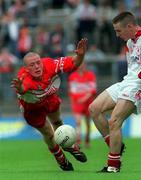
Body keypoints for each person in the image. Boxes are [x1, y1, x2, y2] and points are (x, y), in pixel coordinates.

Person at [89, 11, 141, 173]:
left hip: (140, 85)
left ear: (130, 26)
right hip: (127, 82)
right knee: (94, 109)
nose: (117, 35)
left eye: (118, 31)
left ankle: (113, 165)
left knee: (114, 121)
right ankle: (115, 145)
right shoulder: (131, 42)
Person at [11, 38, 88, 171]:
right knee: (49, 134)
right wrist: (20, 89)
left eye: (38, 63)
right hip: (32, 108)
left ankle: (69, 146)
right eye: (32, 65)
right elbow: (23, 88)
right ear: (26, 68)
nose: (36, 67)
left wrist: (80, 55)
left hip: (49, 97)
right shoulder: (24, 78)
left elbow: (74, 63)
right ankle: (60, 158)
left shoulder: (50, 64)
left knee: (58, 122)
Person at [68, 62, 97, 148]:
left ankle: (87, 139)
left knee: (87, 123)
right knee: (78, 122)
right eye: (80, 65)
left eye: (83, 65)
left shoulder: (90, 75)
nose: (82, 67)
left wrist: (85, 98)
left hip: (88, 102)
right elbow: (72, 91)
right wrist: (76, 100)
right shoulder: (72, 76)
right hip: (77, 103)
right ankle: (78, 141)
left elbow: (93, 90)